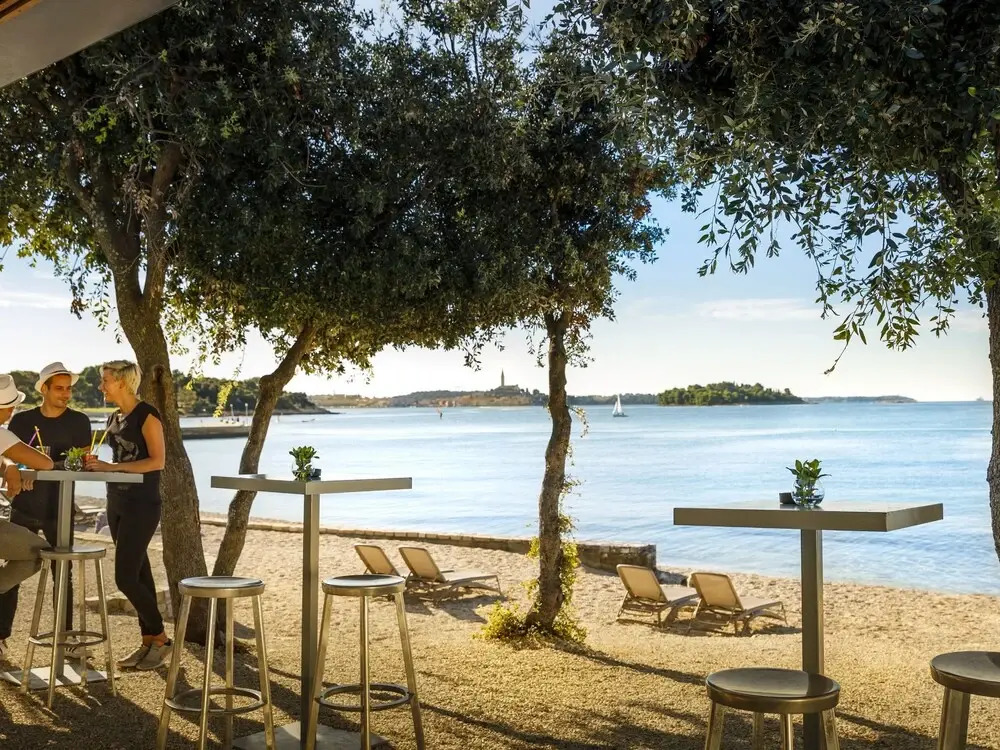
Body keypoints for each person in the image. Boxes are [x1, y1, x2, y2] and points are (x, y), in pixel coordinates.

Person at [0, 362, 92, 659]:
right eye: (59, 388)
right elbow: (7, 455)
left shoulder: (80, 421)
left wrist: (31, 469)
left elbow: (82, 463)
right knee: (14, 566)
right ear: (44, 390)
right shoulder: (21, 421)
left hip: (60, 506)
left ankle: (65, 637)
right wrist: (15, 467)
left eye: (69, 388)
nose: (66, 393)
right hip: (24, 503)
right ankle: (0, 638)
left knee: (62, 571)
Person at [84, 360, 171, 671]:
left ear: (122, 382)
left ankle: (161, 638)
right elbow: (120, 458)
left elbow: (157, 462)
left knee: (124, 578)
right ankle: (148, 642)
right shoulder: (114, 417)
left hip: (142, 504)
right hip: (116, 502)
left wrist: (112, 467)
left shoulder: (148, 415)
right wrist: (98, 465)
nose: (101, 386)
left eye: (105, 380)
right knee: (140, 574)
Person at [0, 374, 54, 663]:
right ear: (7, 409)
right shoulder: (2, 434)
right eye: (12, 408)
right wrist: (13, 461)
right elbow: (44, 462)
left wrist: (8, 465)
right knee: (39, 552)